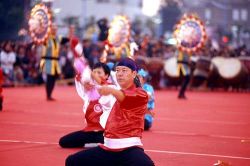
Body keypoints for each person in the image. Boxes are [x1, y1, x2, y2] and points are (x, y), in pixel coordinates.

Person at [65, 58, 154, 166]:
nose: (120, 74)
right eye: (117, 70)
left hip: (130, 149)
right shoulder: (114, 89)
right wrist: (88, 73)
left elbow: (123, 97)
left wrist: (110, 91)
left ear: (134, 74)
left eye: (124, 70)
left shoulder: (141, 93)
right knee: (71, 161)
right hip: (107, 148)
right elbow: (102, 83)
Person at [59, 62, 111, 148]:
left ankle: (95, 144)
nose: (96, 75)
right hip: (89, 131)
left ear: (106, 76)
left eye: (99, 73)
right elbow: (80, 80)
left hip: (105, 132)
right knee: (63, 142)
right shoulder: (88, 91)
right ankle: (92, 144)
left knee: (112, 143)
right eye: (94, 72)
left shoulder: (110, 89)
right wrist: (83, 80)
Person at [40, 24, 61, 101]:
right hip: (48, 61)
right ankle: (48, 95)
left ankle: (50, 94)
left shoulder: (57, 39)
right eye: (53, 29)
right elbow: (44, 47)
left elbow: (67, 39)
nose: (54, 30)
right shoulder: (47, 38)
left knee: (54, 78)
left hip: (55, 62)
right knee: (49, 78)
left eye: (55, 29)